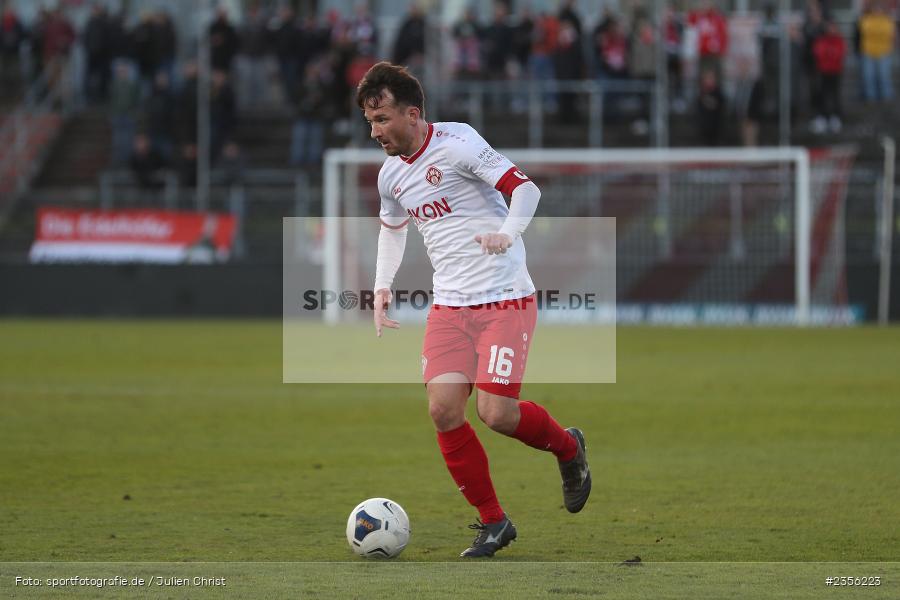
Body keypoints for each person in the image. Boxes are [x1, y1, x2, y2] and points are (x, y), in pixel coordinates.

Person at [356, 62, 591, 558]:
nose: (374, 132)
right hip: (449, 307)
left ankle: (568, 448)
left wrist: (508, 233)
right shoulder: (390, 175)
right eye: (369, 122)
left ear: (412, 113)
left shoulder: (458, 143)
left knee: (496, 413)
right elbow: (392, 229)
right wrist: (381, 287)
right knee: (443, 410)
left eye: (381, 119)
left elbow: (525, 189)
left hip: (504, 298)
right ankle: (493, 522)